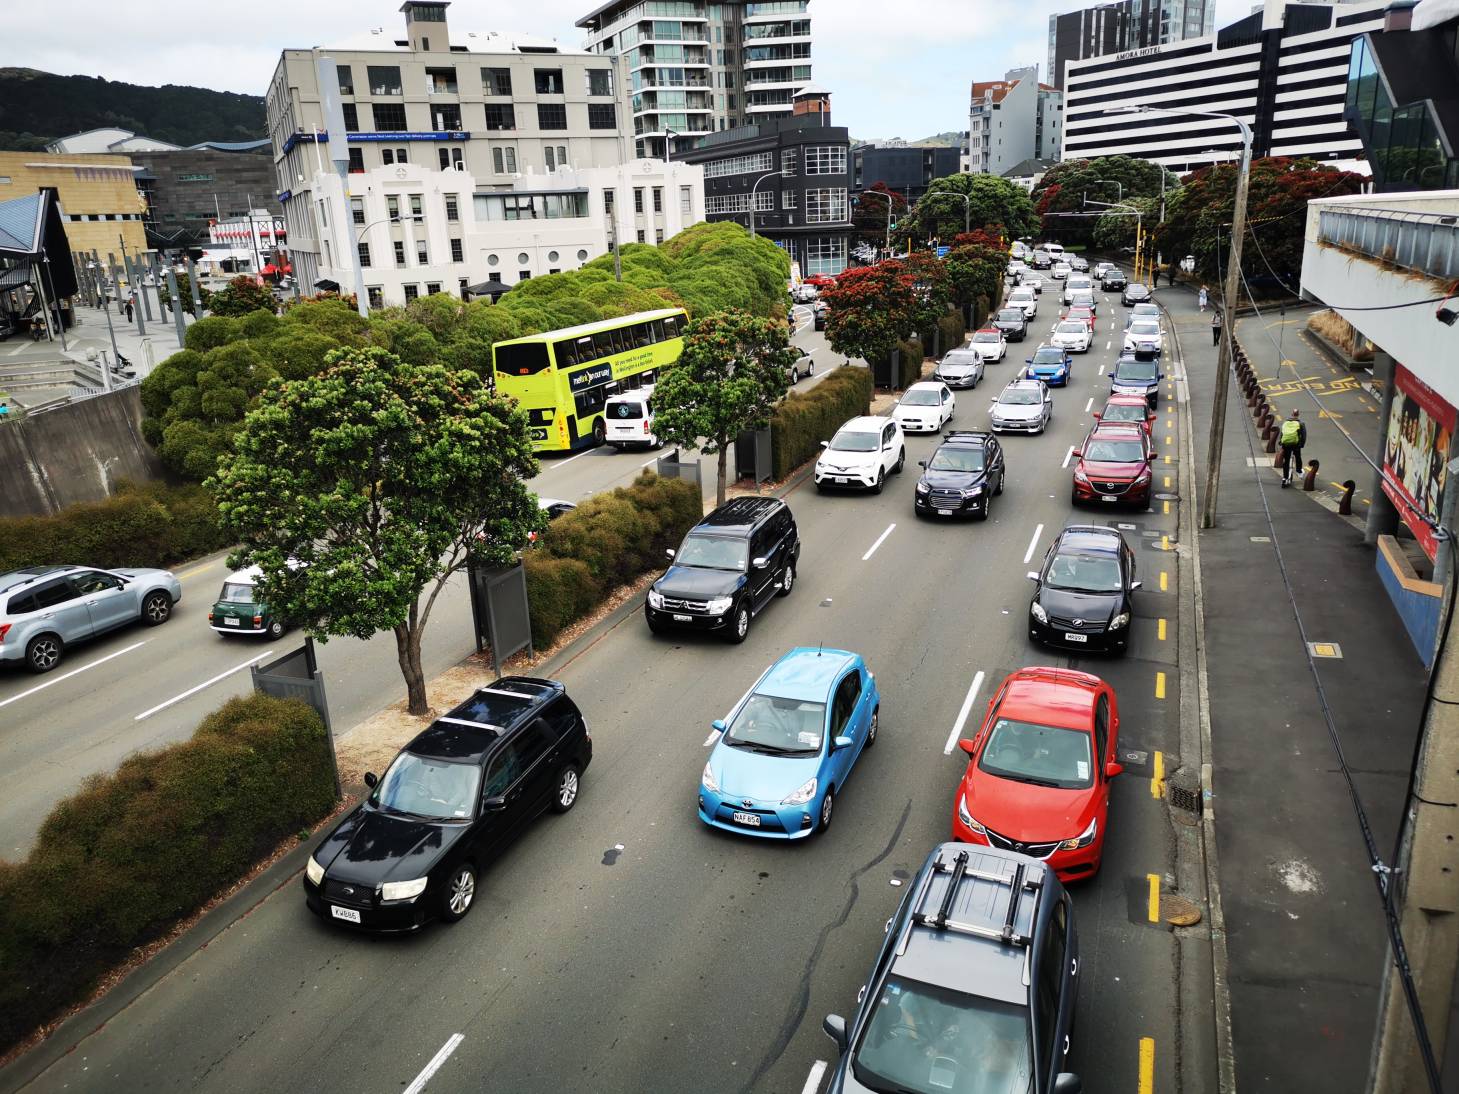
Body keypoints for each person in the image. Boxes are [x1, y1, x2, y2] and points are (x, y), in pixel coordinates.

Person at [1279, 409, 1307, 487]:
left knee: (1286, 461)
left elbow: (1282, 433)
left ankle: (1284, 478)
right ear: (1298, 414)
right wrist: (1302, 444)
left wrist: (1281, 442)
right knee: (1298, 456)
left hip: (1286, 444)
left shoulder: (1285, 422)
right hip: (1295, 444)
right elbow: (1304, 435)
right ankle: (1299, 470)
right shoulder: (1301, 423)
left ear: (1291, 414)